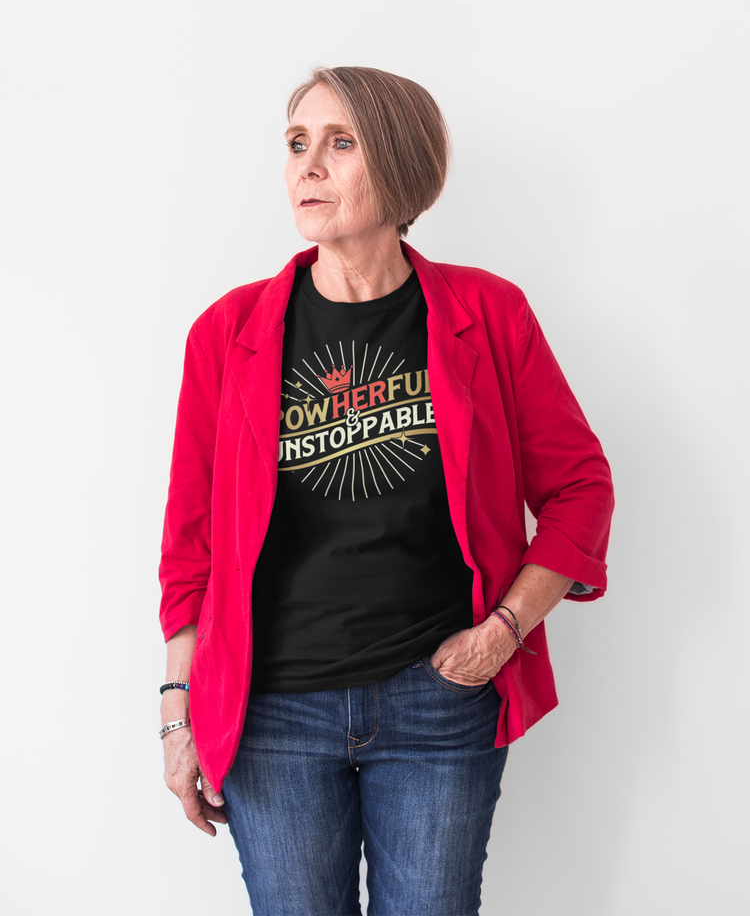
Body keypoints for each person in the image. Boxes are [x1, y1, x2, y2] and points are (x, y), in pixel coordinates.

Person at [158, 65, 614, 916]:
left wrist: (503, 633)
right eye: (297, 144)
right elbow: (191, 546)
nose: (307, 167)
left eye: (339, 143)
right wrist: (177, 714)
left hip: (437, 704)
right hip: (272, 714)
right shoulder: (228, 334)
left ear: (401, 166)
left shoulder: (489, 312)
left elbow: (580, 488)